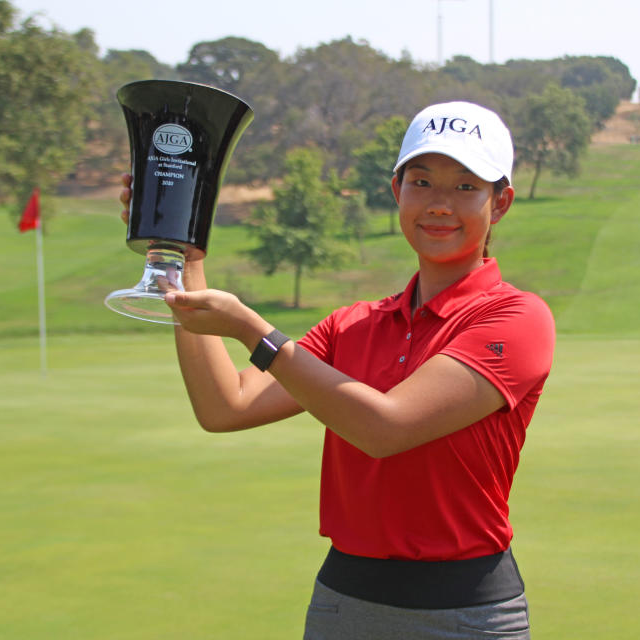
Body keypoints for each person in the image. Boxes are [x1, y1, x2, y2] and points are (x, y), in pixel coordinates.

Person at [119, 101, 555, 639]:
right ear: (397, 191)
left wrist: (254, 332)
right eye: (422, 181)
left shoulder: (518, 318)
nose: (440, 204)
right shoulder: (353, 325)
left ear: (501, 201)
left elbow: (386, 428)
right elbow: (224, 406)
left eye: (466, 187)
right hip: (343, 603)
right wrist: (185, 260)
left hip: (464, 613)